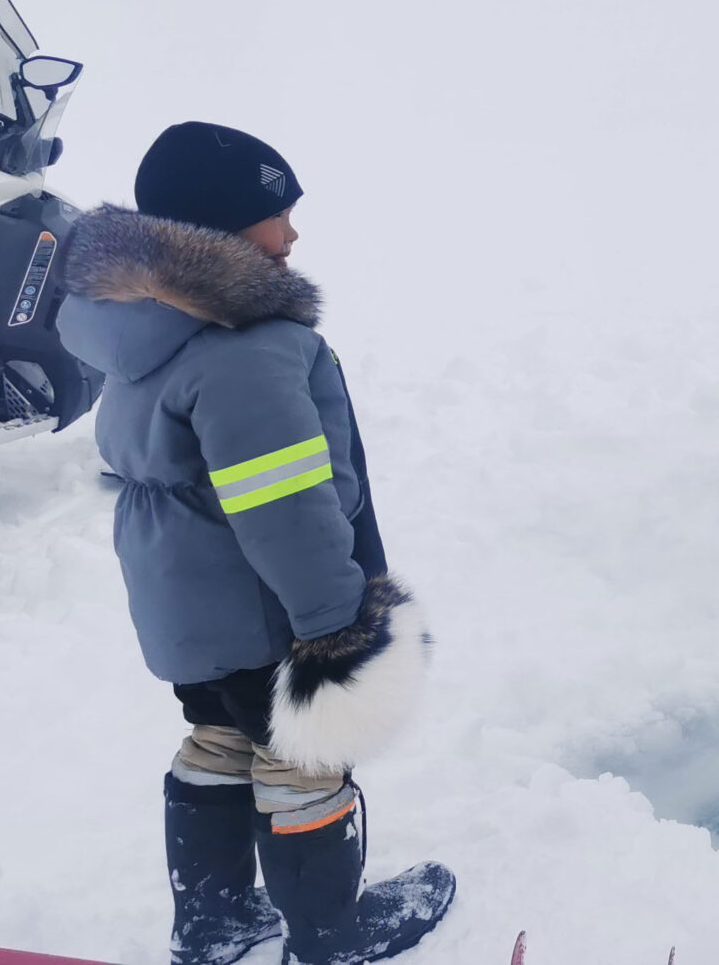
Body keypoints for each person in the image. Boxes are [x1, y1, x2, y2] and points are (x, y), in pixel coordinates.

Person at [56, 122, 455, 964]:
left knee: (223, 738)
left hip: (189, 615)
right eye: (279, 216)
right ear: (223, 232)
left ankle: (214, 923)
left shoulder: (142, 330)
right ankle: (330, 936)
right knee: (302, 761)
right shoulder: (247, 350)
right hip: (269, 612)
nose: (294, 235)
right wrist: (334, 627)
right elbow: (285, 506)